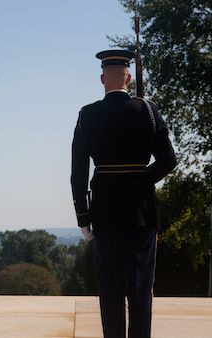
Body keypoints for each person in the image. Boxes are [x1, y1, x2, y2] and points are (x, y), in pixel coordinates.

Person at [70, 49, 177, 338]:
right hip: (141, 212)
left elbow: (78, 173)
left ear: (102, 78)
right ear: (128, 77)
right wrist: (142, 179)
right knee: (141, 289)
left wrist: (83, 216)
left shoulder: (87, 115)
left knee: (110, 289)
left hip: (104, 211)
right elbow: (169, 160)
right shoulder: (149, 112)